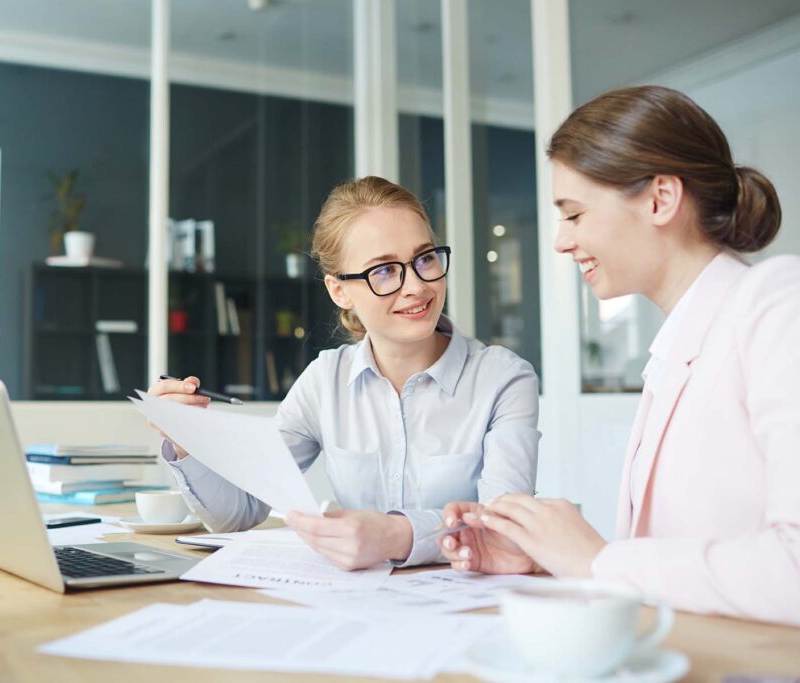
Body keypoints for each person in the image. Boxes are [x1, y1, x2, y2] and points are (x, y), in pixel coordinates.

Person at [439, 85, 800, 631]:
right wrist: (550, 560)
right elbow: (670, 559)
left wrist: (595, 560)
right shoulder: (676, 346)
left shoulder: (781, 301)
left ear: (660, 199)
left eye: (574, 214)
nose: (560, 241)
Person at [148, 176, 540, 569]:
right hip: (355, 603)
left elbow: (503, 528)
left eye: (425, 258)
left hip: (471, 608)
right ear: (340, 291)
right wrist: (184, 439)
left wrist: (394, 535)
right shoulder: (325, 381)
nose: (417, 286)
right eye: (384, 270)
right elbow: (239, 510)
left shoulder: (503, 380)